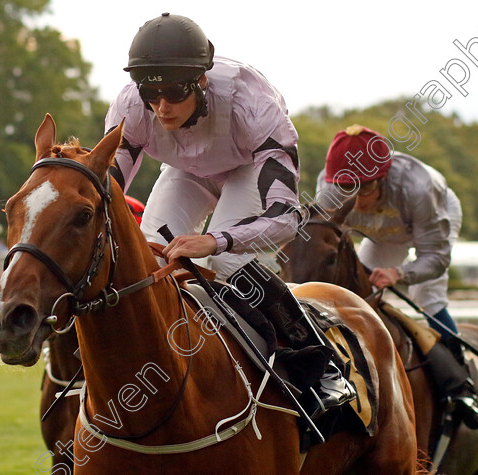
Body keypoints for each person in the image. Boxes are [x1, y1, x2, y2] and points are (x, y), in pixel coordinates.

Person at [105, 13, 355, 414]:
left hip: (249, 171)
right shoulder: (131, 107)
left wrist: (214, 239)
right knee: (150, 256)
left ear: (201, 80)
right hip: (186, 172)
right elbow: (106, 191)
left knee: (224, 257)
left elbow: (287, 218)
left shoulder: (253, 104)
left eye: (173, 92)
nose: (162, 108)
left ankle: (319, 363)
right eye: (151, 95)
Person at [315, 124, 478, 429]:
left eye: (364, 188)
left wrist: (400, 273)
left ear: (383, 177)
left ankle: (460, 386)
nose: (357, 200)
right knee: (352, 296)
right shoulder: (329, 188)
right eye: (347, 189)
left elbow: (437, 258)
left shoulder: (419, 188)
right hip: (381, 233)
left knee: (427, 297)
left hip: (427, 223)